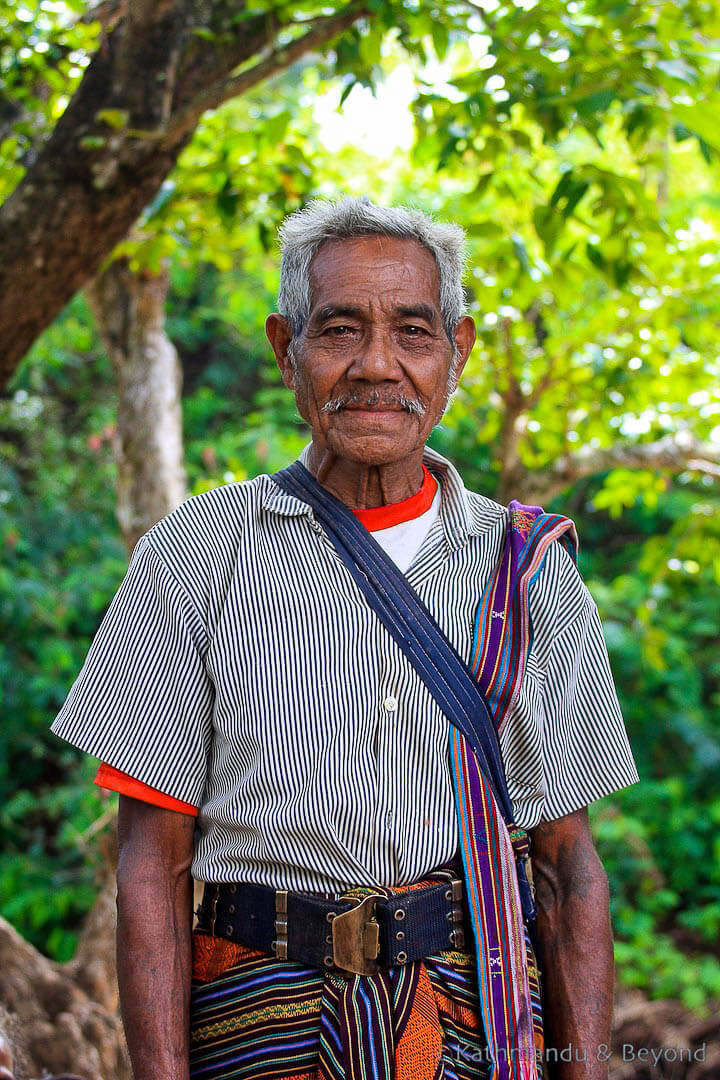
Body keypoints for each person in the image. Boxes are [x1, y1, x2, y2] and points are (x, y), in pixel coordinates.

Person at [51, 197, 638, 1080]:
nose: (376, 365)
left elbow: (566, 869)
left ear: (457, 352)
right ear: (286, 350)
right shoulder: (195, 553)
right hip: (256, 1016)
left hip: (470, 1019)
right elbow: (150, 864)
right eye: (338, 330)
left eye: (413, 330)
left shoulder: (527, 569)